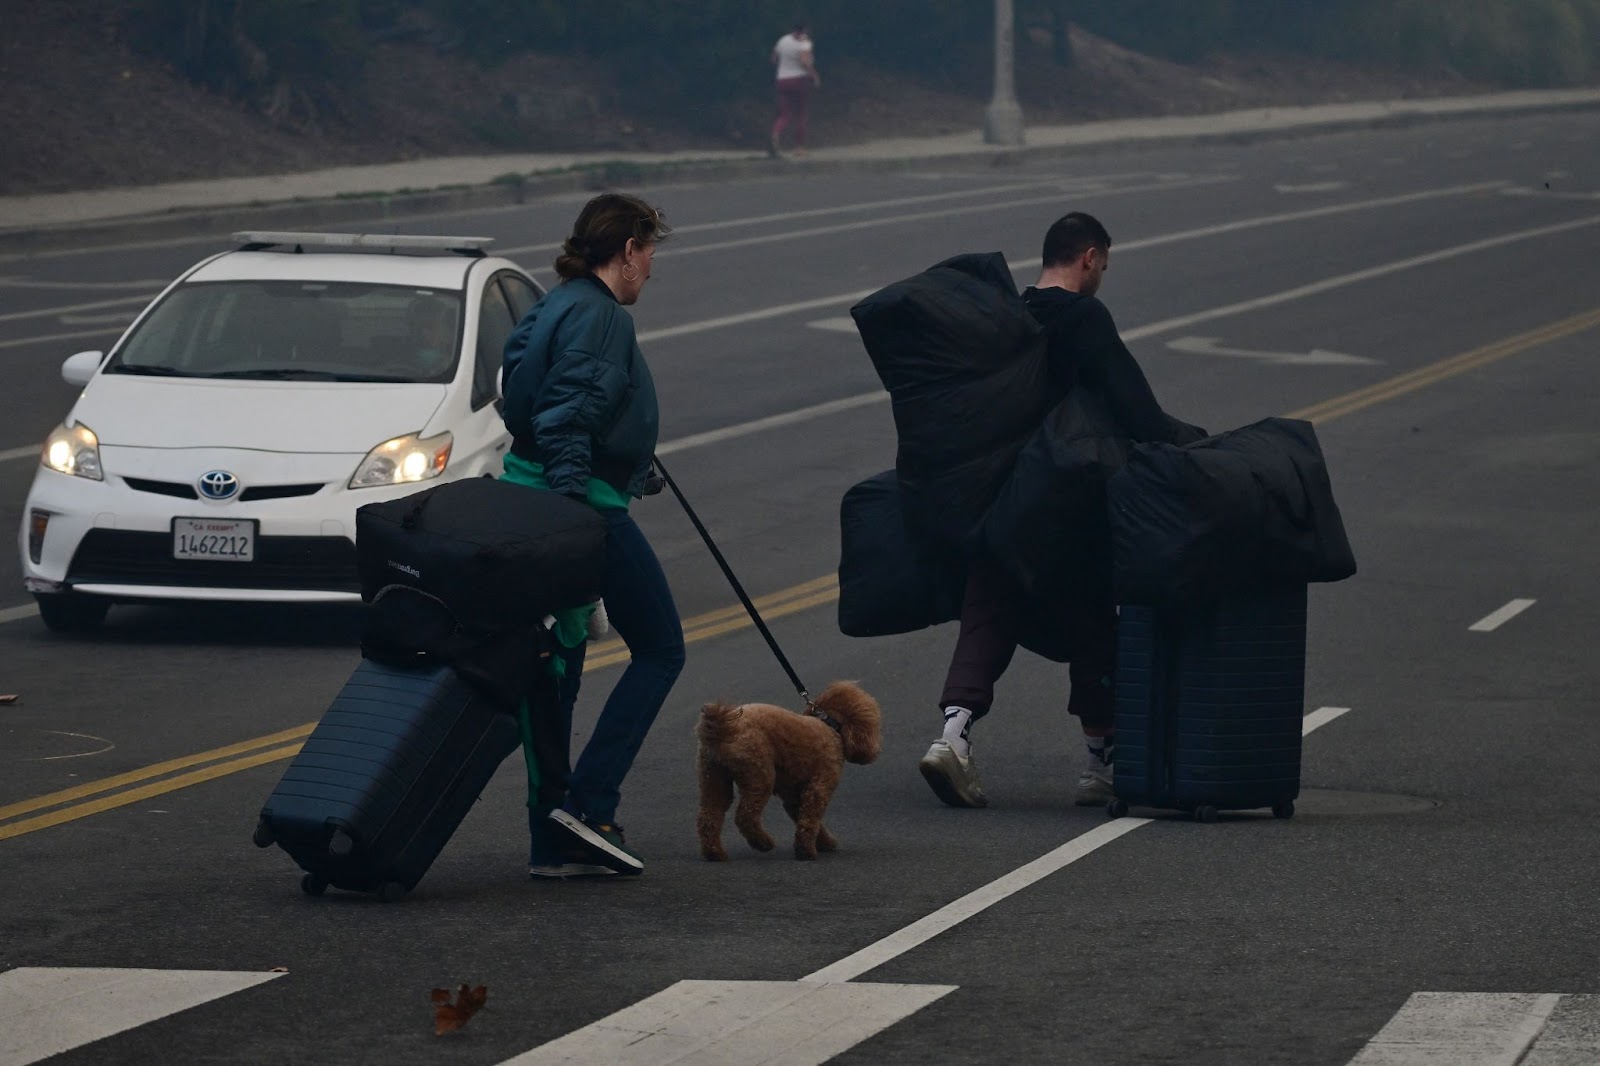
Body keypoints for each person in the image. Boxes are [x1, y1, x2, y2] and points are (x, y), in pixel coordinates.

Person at [918, 211, 1207, 811]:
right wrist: (1194, 447)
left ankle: (953, 735)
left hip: (1003, 499)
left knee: (988, 611)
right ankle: (1101, 764)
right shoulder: (1084, 316)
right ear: (1090, 258)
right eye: (1103, 263)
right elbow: (1134, 406)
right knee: (1095, 619)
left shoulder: (1012, 317)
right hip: (1068, 503)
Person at [499, 192, 685, 878]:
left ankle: (553, 842)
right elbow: (565, 418)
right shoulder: (603, 317)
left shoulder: (558, 301)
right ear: (629, 250)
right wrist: (578, 511)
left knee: (557, 670)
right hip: (579, 509)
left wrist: (629, 460)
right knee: (662, 648)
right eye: (650, 251)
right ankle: (590, 806)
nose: (652, 267)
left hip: (535, 492)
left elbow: (520, 392)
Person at [770, 21, 821, 158]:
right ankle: (799, 148)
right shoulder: (804, 43)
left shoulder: (783, 40)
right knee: (801, 114)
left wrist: (785, 65)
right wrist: (814, 76)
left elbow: (773, 59)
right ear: (804, 31)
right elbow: (805, 62)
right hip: (799, 80)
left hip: (782, 80)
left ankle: (775, 133)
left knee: (784, 114)